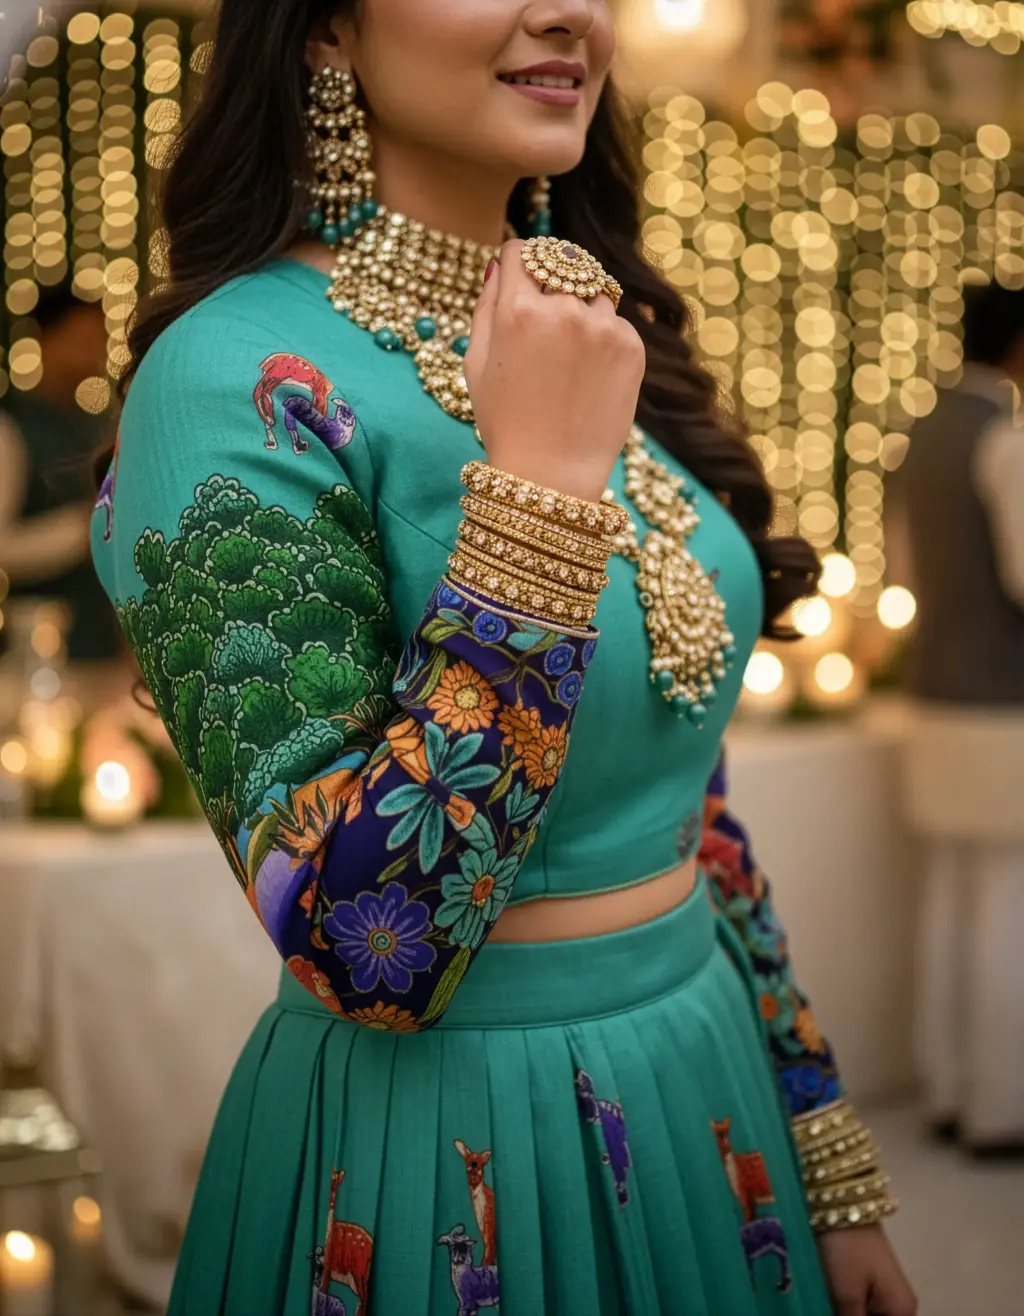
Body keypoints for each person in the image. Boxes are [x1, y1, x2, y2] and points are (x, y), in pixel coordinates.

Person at [92, 3, 916, 1312]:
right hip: (449, 1151)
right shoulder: (226, 380)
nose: (568, 10)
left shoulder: (568, 332)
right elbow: (372, 951)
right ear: (321, 33)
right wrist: (535, 495)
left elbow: (685, 795)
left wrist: (820, 1140)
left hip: (711, 1081)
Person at [893, 281, 1024, 1154]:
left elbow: (905, 573)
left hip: (932, 693)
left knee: (950, 893)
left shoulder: (916, 438)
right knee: (1007, 902)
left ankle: (946, 1087)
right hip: (1001, 705)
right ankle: (1002, 1109)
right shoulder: (1006, 442)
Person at [0, 288, 121, 663]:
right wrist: (79, 528)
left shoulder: (93, 427)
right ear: (44, 340)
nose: (91, 354)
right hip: (37, 650)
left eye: (97, 341)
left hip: (102, 645)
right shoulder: (10, 428)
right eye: (79, 339)